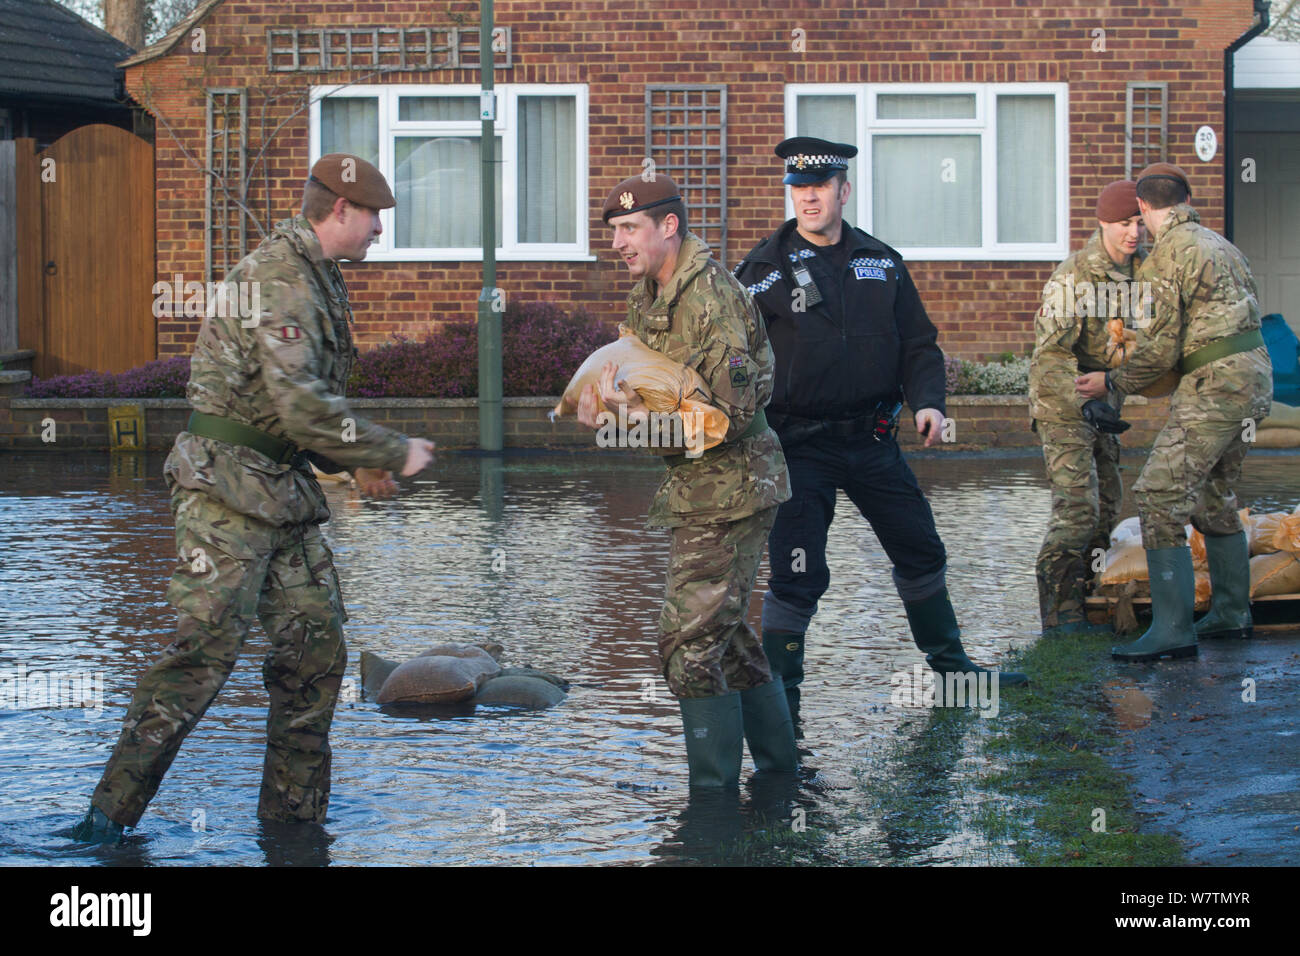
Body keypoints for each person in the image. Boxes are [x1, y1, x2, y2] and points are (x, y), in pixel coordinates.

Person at [70, 154, 436, 840]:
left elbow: (303, 409)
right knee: (201, 659)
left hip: (283, 493)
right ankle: (102, 825)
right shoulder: (281, 277)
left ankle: (293, 827)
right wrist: (389, 452)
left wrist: (350, 464)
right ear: (339, 211)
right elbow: (301, 406)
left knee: (316, 653)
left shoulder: (321, 278)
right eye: (374, 216)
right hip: (225, 495)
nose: (380, 231)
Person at [733, 136, 1027, 723]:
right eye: (798, 188)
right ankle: (780, 708)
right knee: (797, 574)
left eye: (819, 188)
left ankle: (952, 672)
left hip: (871, 439)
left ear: (844, 190)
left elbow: (919, 345)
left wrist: (929, 404)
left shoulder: (881, 262)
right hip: (797, 447)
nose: (808, 198)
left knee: (920, 547)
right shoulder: (760, 272)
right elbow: (734, 358)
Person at [576, 173, 796, 788]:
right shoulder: (649, 292)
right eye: (613, 231)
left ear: (668, 226)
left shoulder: (711, 298)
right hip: (699, 487)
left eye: (629, 229)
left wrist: (631, 419)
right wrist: (616, 411)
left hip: (734, 486)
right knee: (724, 638)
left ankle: (712, 802)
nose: (618, 242)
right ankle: (780, 777)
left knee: (686, 645)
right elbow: (652, 389)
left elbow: (724, 419)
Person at [1076, 162, 1272, 661]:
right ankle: (1231, 614)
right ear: (1187, 199)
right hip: (1252, 381)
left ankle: (1172, 631)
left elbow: (1162, 349)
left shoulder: (1168, 256)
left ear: (1143, 207)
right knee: (1212, 493)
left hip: (1215, 386)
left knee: (1159, 495)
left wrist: (1113, 382)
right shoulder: (1222, 245)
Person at [1031, 180, 1144, 638]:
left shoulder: (1144, 274)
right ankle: (1060, 617)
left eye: (1139, 221)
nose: (1133, 232)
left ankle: (1094, 597)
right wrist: (1083, 401)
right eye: (1123, 223)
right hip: (1062, 403)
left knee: (1108, 504)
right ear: (1103, 224)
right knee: (1077, 509)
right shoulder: (1074, 275)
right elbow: (1052, 353)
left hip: (1105, 401)